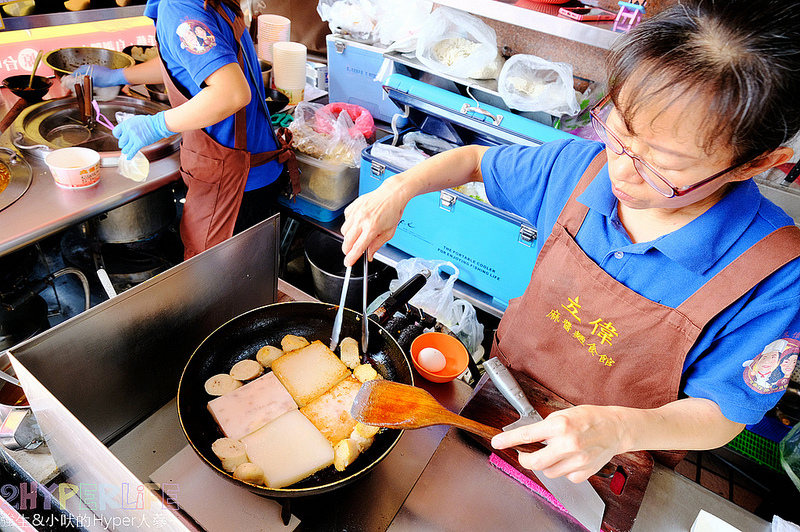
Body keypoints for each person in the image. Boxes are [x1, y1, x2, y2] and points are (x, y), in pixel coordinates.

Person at [341, 0, 800, 483]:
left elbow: (725, 413)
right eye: (620, 131)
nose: (622, 171)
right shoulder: (579, 169)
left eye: (663, 166)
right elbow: (475, 160)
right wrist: (397, 190)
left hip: (610, 460)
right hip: (499, 401)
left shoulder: (773, 270)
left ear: (757, 163)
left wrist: (620, 430)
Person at [76, 0, 298, 259]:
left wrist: (155, 125)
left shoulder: (178, 7)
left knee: (216, 287)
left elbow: (232, 93)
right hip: (259, 171)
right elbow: (184, 59)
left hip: (234, 185)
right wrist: (120, 76)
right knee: (247, 280)